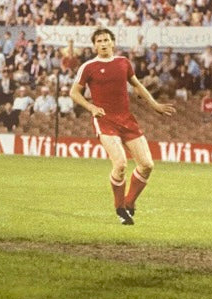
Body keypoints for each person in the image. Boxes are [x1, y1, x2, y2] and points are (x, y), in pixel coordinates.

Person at [70, 27, 175, 226]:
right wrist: (91, 107)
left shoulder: (123, 63)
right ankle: (120, 209)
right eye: (99, 41)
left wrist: (154, 105)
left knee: (147, 165)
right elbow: (74, 93)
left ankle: (129, 203)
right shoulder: (88, 66)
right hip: (105, 120)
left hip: (127, 119)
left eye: (106, 40)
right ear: (94, 45)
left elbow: (136, 85)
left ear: (112, 42)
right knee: (120, 165)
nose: (102, 43)